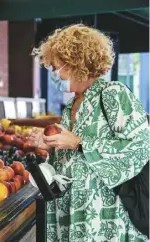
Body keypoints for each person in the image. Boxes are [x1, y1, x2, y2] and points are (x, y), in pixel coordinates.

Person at [28, 24, 150, 241]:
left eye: (57, 67)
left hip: (104, 214)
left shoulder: (113, 94)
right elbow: (72, 160)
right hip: (71, 211)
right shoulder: (71, 105)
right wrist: (51, 148)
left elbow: (141, 147)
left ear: (76, 62)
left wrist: (79, 142)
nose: (54, 74)